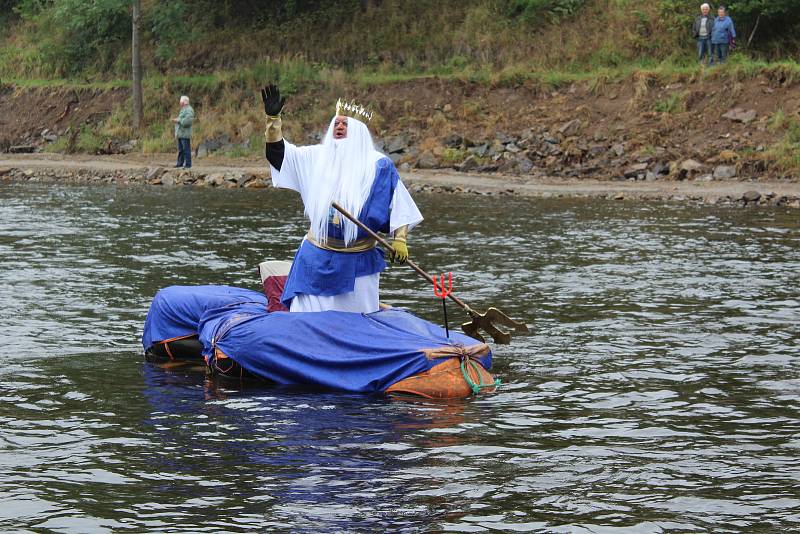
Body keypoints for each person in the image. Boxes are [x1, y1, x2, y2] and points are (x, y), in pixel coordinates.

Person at [261, 84, 423, 314]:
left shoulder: (378, 166)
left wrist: (400, 239)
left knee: (356, 322)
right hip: (316, 256)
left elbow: (399, 204)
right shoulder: (316, 157)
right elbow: (279, 156)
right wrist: (273, 120)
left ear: (357, 131)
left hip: (358, 262)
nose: (338, 126)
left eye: (345, 123)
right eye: (336, 122)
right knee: (304, 316)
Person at [172, 95, 195, 168]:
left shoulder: (189, 110)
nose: (180, 103)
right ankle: (180, 163)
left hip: (185, 134)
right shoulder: (183, 109)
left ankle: (188, 164)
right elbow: (182, 119)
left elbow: (187, 122)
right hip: (181, 133)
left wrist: (178, 120)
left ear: (184, 102)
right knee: (181, 150)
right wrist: (177, 119)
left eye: (181, 101)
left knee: (186, 149)